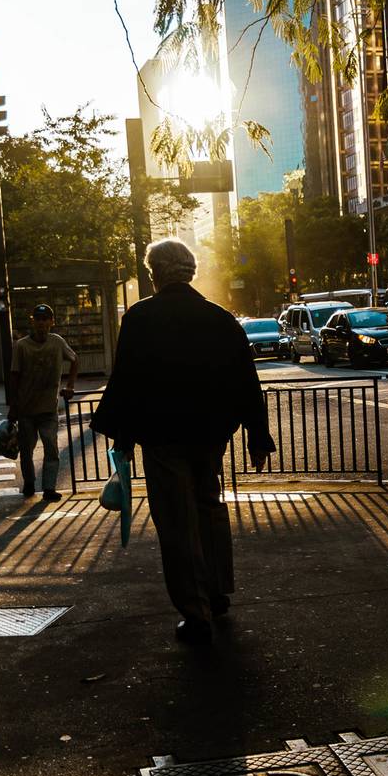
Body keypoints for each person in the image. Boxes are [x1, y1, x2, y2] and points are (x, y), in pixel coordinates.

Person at [92, 238, 276, 647]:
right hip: (210, 434)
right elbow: (247, 380)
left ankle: (195, 612)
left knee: (177, 521)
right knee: (209, 507)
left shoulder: (141, 318)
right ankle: (217, 591)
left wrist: (122, 438)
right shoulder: (219, 318)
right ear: (190, 271)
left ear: (154, 272)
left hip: (162, 436)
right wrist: (257, 437)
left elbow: (127, 382)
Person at [8, 304, 78, 502]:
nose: (41, 323)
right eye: (38, 319)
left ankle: (49, 488)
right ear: (33, 321)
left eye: (45, 319)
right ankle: (29, 482)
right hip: (26, 409)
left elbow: (74, 359)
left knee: (51, 449)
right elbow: (14, 376)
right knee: (27, 451)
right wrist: (13, 406)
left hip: (48, 409)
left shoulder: (57, 342)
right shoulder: (21, 346)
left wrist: (70, 385)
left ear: (51, 321)